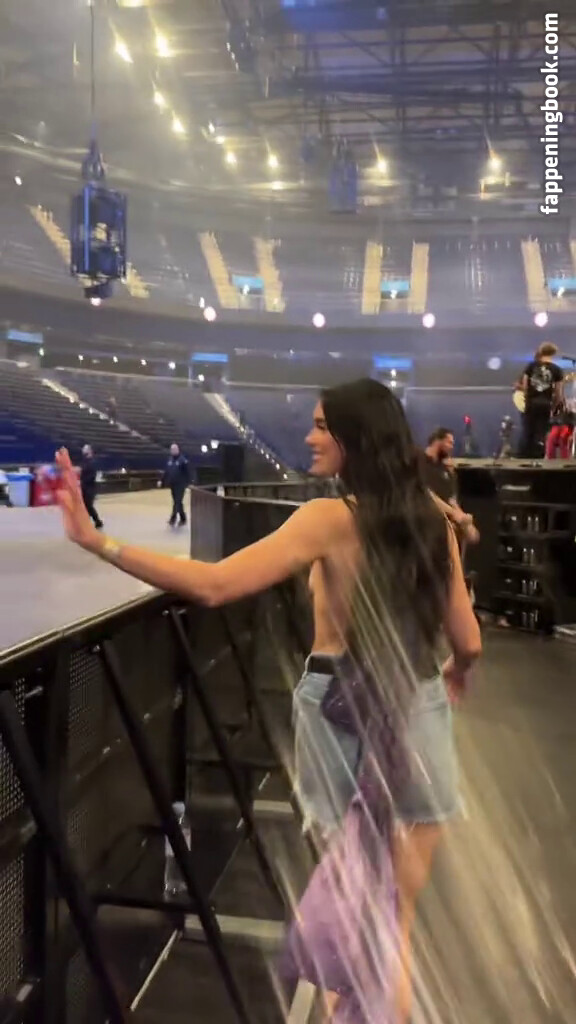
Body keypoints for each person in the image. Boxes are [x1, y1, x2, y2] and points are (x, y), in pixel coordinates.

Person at [55, 379, 481, 1023]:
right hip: (418, 708)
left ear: (356, 437)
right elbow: (468, 641)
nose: (309, 437)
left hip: (339, 711)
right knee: (391, 927)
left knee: (354, 922)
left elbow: (215, 585)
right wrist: (454, 675)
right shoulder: (434, 521)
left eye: (321, 426)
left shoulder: (328, 520)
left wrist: (100, 543)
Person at [421, 428, 479, 545]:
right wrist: (453, 513)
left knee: (473, 535)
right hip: (428, 516)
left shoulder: (445, 468)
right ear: (438, 441)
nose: (452, 447)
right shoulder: (421, 463)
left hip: (447, 518)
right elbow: (427, 495)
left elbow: (451, 499)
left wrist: (463, 517)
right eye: (449, 442)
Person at [519, 342, 564, 458]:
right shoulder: (557, 370)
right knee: (541, 432)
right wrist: (554, 407)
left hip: (531, 403)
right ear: (553, 353)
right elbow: (558, 393)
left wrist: (527, 399)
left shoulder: (530, 366)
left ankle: (525, 457)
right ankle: (538, 457)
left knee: (528, 430)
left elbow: (525, 387)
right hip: (546, 404)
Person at [163, 444, 190, 527]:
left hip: (180, 485)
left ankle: (173, 518)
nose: (173, 451)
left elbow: (187, 472)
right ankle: (183, 518)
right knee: (177, 502)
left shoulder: (183, 460)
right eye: (172, 449)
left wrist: (188, 483)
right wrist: (161, 480)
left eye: (175, 449)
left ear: (178, 450)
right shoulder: (170, 460)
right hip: (173, 485)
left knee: (177, 501)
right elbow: (167, 471)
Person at [79, 445, 103, 530]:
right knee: (86, 505)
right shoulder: (85, 461)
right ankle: (89, 522)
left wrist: (84, 481)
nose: (83, 451)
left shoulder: (92, 462)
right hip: (84, 486)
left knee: (89, 505)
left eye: (85, 449)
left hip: (90, 487)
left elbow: (92, 475)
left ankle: (97, 521)